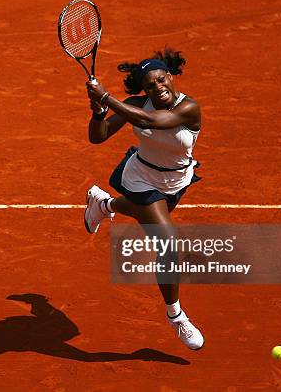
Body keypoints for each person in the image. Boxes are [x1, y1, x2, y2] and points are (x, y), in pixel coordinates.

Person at [83, 46, 204, 350]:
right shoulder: (135, 104)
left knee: (142, 213)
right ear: (143, 89)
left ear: (171, 76)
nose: (159, 88)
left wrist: (106, 97)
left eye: (163, 80)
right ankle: (176, 316)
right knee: (169, 244)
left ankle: (103, 204)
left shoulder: (189, 107)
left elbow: (152, 122)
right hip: (140, 177)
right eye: (151, 85)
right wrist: (99, 110)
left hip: (176, 179)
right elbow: (98, 137)